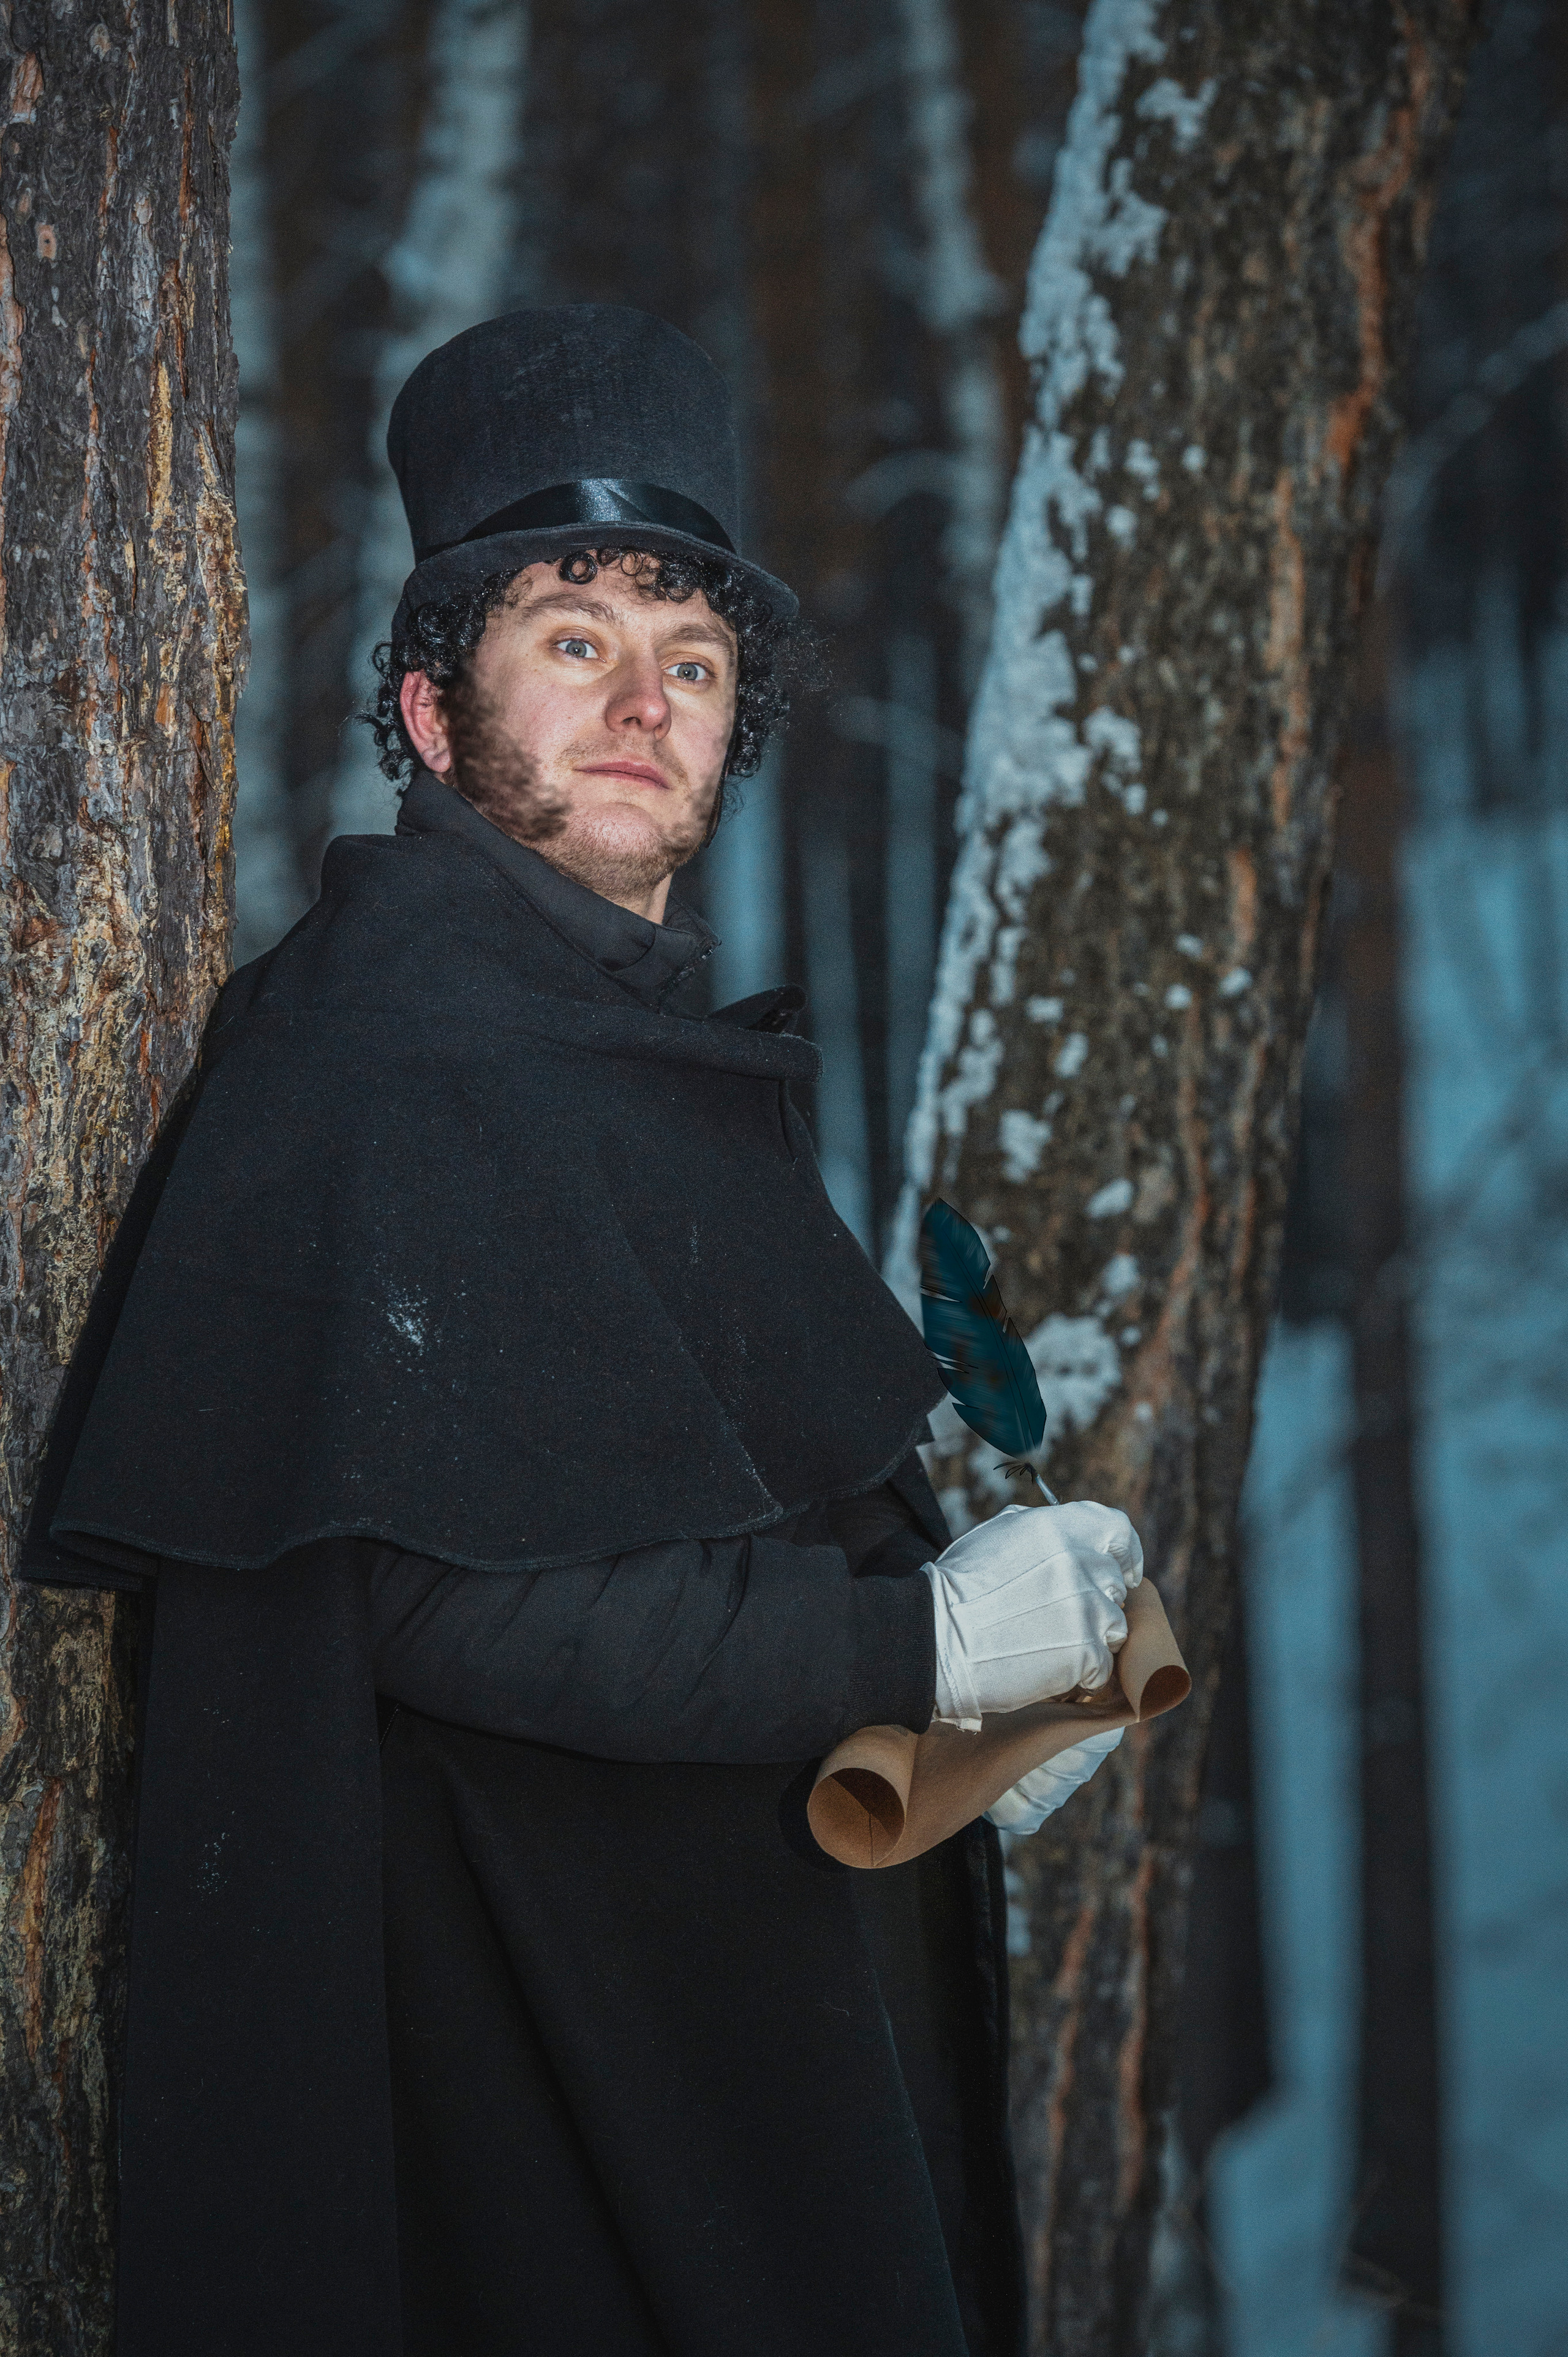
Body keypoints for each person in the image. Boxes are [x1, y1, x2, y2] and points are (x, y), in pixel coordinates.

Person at [23, 306, 1140, 2357]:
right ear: (435, 714)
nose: (649, 700)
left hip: (708, 2002)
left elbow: (684, 1500)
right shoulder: (384, 1050)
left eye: (694, 662)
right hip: (551, 2075)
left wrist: (981, 1713)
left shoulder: (603, 1035)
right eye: (575, 639)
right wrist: (921, 1646)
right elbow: (456, 1607)